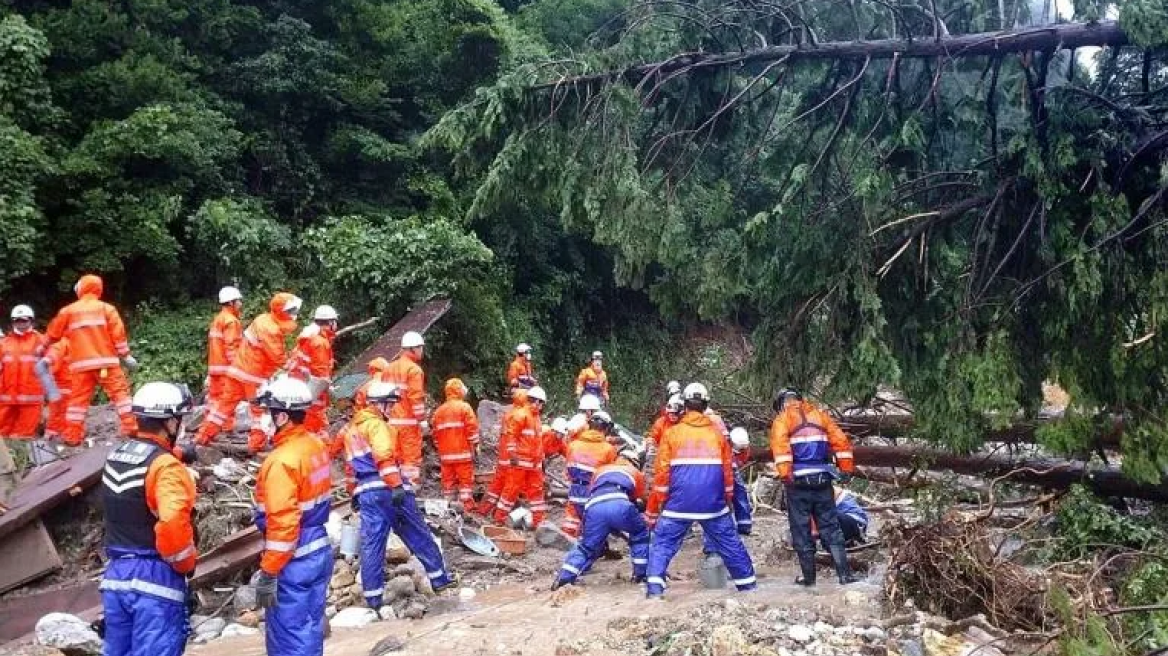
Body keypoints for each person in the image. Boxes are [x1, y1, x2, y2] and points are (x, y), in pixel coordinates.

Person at [339, 380, 456, 610]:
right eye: (390, 405)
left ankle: (373, 598)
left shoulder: (352, 430)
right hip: (387, 490)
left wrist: (353, 493)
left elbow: (350, 468)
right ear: (379, 404)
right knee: (417, 533)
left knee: (372, 544)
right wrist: (396, 486)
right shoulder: (377, 427)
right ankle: (439, 579)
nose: (392, 409)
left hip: (367, 493)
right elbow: (384, 457)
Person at [99, 382, 197, 656]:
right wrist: (185, 563)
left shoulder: (116, 456)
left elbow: (143, 461)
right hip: (155, 579)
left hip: (116, 575)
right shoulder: (167, 469)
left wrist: (179, 453)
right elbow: (172, 522)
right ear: (170, 423)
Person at [645, 383, 756, 599]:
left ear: (684, 406)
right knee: (731, 545)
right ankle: (749, 589)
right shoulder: (717, 436)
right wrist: (726, 499)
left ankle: (654, 592)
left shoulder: (671, 433)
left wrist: (660, 503)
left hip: (678, 504)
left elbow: (662, 474)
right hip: (712, 504)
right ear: (706, 406)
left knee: (663, 545)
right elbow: (728, 474)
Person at [251, 375, 334, 656]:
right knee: (309, 628)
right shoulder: (315, 446)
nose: (264, 419)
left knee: (290, 636)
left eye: (268, 413)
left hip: (293, 559)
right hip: (317, 549)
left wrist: (269, 571)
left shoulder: (281, 462)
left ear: (282, 416)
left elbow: (283, 525)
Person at [770, 387, 858, 586]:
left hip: (798, 484)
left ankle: (809, 580)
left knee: (801, 531)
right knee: (831, 528)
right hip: (823, 480)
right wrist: (845, 469)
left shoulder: (782, 420)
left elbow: (781, 449)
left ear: (782, 404)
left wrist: (785, 475)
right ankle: (845, 576)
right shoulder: (820, 415)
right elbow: (841, 442)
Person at [197, 293, 302, 453]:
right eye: (291, 311)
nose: (293, 314)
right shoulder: (271, 329)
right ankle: (255, 445)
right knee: (260, 411)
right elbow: (278, 357)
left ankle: (202, 437)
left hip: (237, 371)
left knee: (222, 407)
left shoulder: (262, 319)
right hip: (254, 376)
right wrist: (294, 366)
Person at [45, 274, 139, 444]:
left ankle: (72, 437)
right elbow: (118, 333)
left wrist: (42, 347)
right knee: (120, 395)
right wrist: (125, 355)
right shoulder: (107, 309)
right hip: (106, 364)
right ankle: (131, 427)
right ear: (98, 289)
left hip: (81, 367)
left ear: (80, 289)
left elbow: (53, 333)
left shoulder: (69, 311)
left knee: (77, 403)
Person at [552, 449, 649, 590]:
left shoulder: (601, 470)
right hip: (620, 504)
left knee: (586, 546)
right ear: (635, 462)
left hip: (594, 507)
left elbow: (594, 490)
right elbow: (639, 499)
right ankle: (640, 574)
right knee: (640, 534)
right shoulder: (635, 473)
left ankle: (564, 578)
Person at [495, 386, 548, 527]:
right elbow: (511, 435)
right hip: (521, 461)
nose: (541, 406)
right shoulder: (522, 415)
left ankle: (538, 521)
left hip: (533, 463)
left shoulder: (536, 418)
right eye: (541, 403)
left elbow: (537, 441)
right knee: (511, 490)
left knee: (536, 492)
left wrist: (541, 458)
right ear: (536, 401)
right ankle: (499, 519)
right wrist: (512, 454)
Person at [561, 411, 619, 537]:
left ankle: (565, 541)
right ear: (606, 428)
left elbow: (568, 470)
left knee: (571, 521)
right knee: (592, 525)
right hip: (594, 492)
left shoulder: (573, 445)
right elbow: (609, 475)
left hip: (575, 489)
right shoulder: (609, 449)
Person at [431, 378, 480, 513]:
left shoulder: (439, 411)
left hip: (446, 456)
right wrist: (475, 446)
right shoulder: (464, 408)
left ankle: (448, 507)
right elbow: (472, 430)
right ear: (459, 391)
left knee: (448, 483)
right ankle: (466, 507)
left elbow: (435, 435)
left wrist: (441, 449)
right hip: (462, 454)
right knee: (465, 483)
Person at [384, 331, 427, 484]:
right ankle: (410, 489)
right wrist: (422, 420)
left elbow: (383, 396)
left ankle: (394, 487)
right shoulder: (414, 370)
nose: (422, 351)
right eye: (420, 348)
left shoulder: (388, 368)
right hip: (408, 424)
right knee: (410, 460)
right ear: (413, 349)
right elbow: (415, 398)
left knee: (393, 457)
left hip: (391, 423)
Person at [288, 306, 338, 437]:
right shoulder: (320, 342)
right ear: (330, 322)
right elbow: (320, 372)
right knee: (315, 422)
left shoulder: (308, 336)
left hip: (301, 384)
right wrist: (328, 387)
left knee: (302, 418)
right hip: (312, 389)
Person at [0, 306, 48, 444]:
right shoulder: (4, 343)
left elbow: (52, 368)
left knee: (24, 438)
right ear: (13, 322)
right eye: (17, 320)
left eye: (24, 320)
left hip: (31, 400)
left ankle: (23, 457)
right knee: (2, 437)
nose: (21, 323)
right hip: (6, 400)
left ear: (31, 321)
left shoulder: (42, 341)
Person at [476, 389, 527, 518]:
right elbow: (518, 438)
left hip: (503, 458)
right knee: (510, 488)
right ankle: (499, 516)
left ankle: (483, 510)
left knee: (496, 486)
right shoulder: (521, 416)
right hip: (512, 458)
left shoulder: (509, 414)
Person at [702, 427, 753, 554]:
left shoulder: (743, 447)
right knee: (719, 503)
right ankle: (714, 542)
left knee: (740, 496)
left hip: (728, 469)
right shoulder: (721, 443)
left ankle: (744, 525)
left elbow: (742, 459)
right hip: (719, 469)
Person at [205, 286, 244, 431]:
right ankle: (226, 431)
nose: (240, 304)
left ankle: (210, 429)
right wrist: (237, 368)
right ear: (231, 303)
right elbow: (231, 346)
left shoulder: (218, 319)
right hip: (226, 370)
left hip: (215, 368)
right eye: (238, 301)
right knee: (227, 402)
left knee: (214, 401)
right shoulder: (231, 321)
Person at [644, 395, 683, 487]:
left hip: (678, 458)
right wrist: (651, 446)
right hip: (661, 457)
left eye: (675, 414)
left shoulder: (684, 424)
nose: (672, 416)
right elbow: (652, 437)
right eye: (671, 413)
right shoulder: (661, 422)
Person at [39, 338, 72, 445]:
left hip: (61, 385)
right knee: (62, 411)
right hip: (64, 385)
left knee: (58, 411)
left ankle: (53, 436)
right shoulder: (65, 344)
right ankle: (60, 436)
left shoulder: (61, 345)